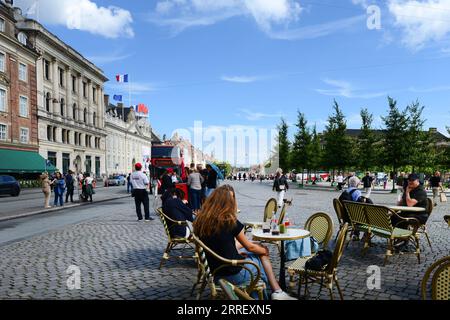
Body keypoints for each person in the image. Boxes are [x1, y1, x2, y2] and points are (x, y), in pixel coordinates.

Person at [193, 185, 296, 300]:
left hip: (216, 273)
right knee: (260, 257)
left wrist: (236, 255)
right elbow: (250, 247)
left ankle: (272, 291)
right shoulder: (229, 220)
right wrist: (264, 250)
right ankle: (274, 292)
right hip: (232, 274)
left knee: (255, 257)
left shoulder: (201, 220)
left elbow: (222, 244)